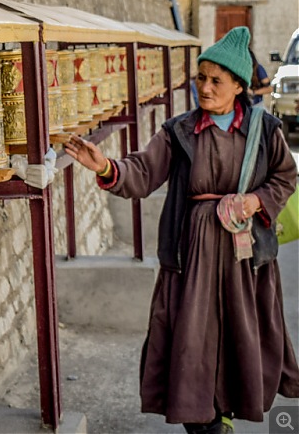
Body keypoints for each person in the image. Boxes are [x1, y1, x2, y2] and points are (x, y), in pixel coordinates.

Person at [64, 26, 299, 434]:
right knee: (193, 338)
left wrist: (254, 201)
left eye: (216, 81)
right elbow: (141, 171)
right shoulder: (179, 131)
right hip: (194, 256)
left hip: (245, 258)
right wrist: (105, 167)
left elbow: (285, 176)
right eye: (200, 78)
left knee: (241, 335)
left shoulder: (265, 132)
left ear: (239, 86)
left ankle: (225, 412)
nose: (205, 88)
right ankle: (203, 420)